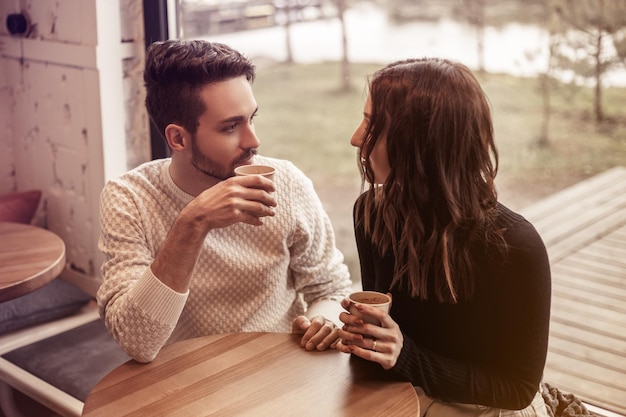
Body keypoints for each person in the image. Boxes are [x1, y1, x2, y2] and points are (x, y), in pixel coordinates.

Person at [97, 39, 352, 363]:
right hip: (183, 385)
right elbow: (137, 341)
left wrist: (325, 321)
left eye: (251, 118)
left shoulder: (286, 184)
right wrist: (193, 223)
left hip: (281, 376)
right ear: (178, 138)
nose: (253, 140)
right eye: (231, 127)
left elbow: (331, 288)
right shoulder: (129, 199)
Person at [336, 58, 551, 416]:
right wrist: (359, 337)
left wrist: (405, 355)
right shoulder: (370, 214)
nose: (356, 138)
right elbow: (385, 329)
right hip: (401, 390)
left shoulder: (515, 247)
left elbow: (517, 388)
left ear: (421, 144)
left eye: (372, 125)